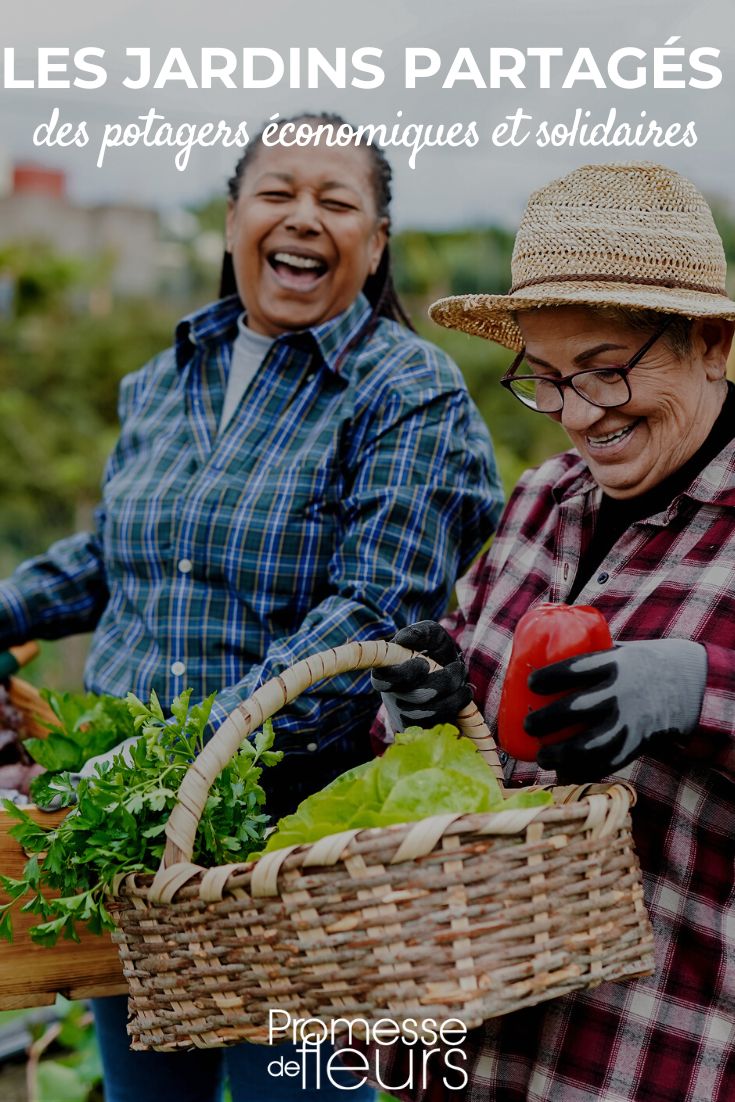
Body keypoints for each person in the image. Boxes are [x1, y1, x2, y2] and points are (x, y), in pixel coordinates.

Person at [0, 114, 503, 1102]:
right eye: (276, 193)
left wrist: (192, 758)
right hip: (131, 827)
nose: (302, 218)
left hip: (283, 834)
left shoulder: (410, 392)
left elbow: (372, 610)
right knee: (150, 1092)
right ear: (234, 218)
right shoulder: (164, 379)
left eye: (336, 200)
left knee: (297, 1086)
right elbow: (114, 556)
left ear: (379, 238)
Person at [370, 162, 735, 1102]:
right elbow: (476, 754)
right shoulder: (540, 501)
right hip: (463, 1047)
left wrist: (703, 686)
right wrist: (430, 704)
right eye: (547, 377)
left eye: (607, 370)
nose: (577, 414)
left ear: (711, 341)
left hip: (650, 1053)